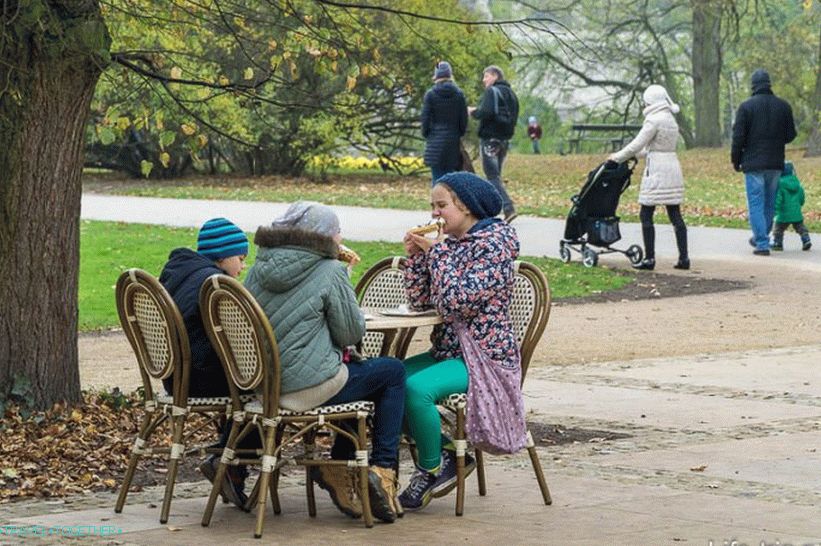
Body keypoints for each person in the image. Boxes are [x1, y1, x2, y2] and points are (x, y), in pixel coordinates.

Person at [244, 201, 405, 524]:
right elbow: (350, 333)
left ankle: (339, 468)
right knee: (391, 372)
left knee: (355, 376)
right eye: (336, 231)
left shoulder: (258, 269)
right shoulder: (329, 270)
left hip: (264, 388)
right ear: (322, 238)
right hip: (310, 388)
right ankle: (383, 470)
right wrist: (343, 282)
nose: (340, 237)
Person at [399, 172, 520, 511]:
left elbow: (456, 301)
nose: (435, 214)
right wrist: (417, 258)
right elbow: (422, 302)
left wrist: (436, 254)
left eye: (442, 206)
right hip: (448, 350)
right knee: (387, 379)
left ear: (466, 208)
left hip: (483, 356)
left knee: (414, 390)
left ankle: (430, 469)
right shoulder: (448, 245)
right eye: (432, 206)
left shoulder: (494, 247)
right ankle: (450, 453)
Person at [158, 217, 253, 509]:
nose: (243, 266)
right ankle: (228, 459)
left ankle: (228, 459)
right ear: (224, 256)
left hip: (174, 376)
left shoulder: (179, 273)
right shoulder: (212, 285)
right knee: (268, 389)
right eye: (241, 258)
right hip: (198, 376)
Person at [608, 84, 689, 270]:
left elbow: (637, 144)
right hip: (672, 166)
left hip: (657, 171)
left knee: (646, 213)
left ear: (651, 101)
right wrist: (636, 155)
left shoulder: (653, 120)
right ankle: (684, 258)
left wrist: (617, 157)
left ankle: (650, 259)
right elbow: (657, 146)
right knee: (675, 214)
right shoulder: (670, 119)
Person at [731, 69, 797, 256]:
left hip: (753, 163)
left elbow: (738, 138)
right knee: (769, 203)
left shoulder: (746, 107)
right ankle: (762, 236)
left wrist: (736, 160)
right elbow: (791, 134)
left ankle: (761, 242)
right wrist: (775, 141)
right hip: (776, 162)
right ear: (769, 84)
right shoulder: (783, 106)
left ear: (753, 86)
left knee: (756, 203)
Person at [468, 65, 520, 223]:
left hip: (490, 139)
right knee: (495, 176)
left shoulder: (492, 91)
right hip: (504, 140)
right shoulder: (512, 94)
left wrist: (473, 112)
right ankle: (490, 209)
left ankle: (508, 207)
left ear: (495, 76)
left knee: (492, 176)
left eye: (486, 76)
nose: (484, 80)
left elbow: (487, 112)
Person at [421, 61, 468, 183]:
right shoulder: (459, 94)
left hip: (435, 141)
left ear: (436, 76)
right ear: (450, 75)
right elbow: (463, 120)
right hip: (453, 141)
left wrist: (428, 134)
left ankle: (437, 201)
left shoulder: (430, 95)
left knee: (437, 178)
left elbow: (425, 119)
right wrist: (458, 133)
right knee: (451, 179)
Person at [772, 161, 812, 251]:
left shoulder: (780, 184)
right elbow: (801, 197)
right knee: (801, 228)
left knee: (778, 229)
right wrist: (800, 204)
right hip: (796, 213)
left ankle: (778, 243)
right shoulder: (797, 183)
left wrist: (775, 210)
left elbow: (778, 199)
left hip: (783, 215)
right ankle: (806, 239)